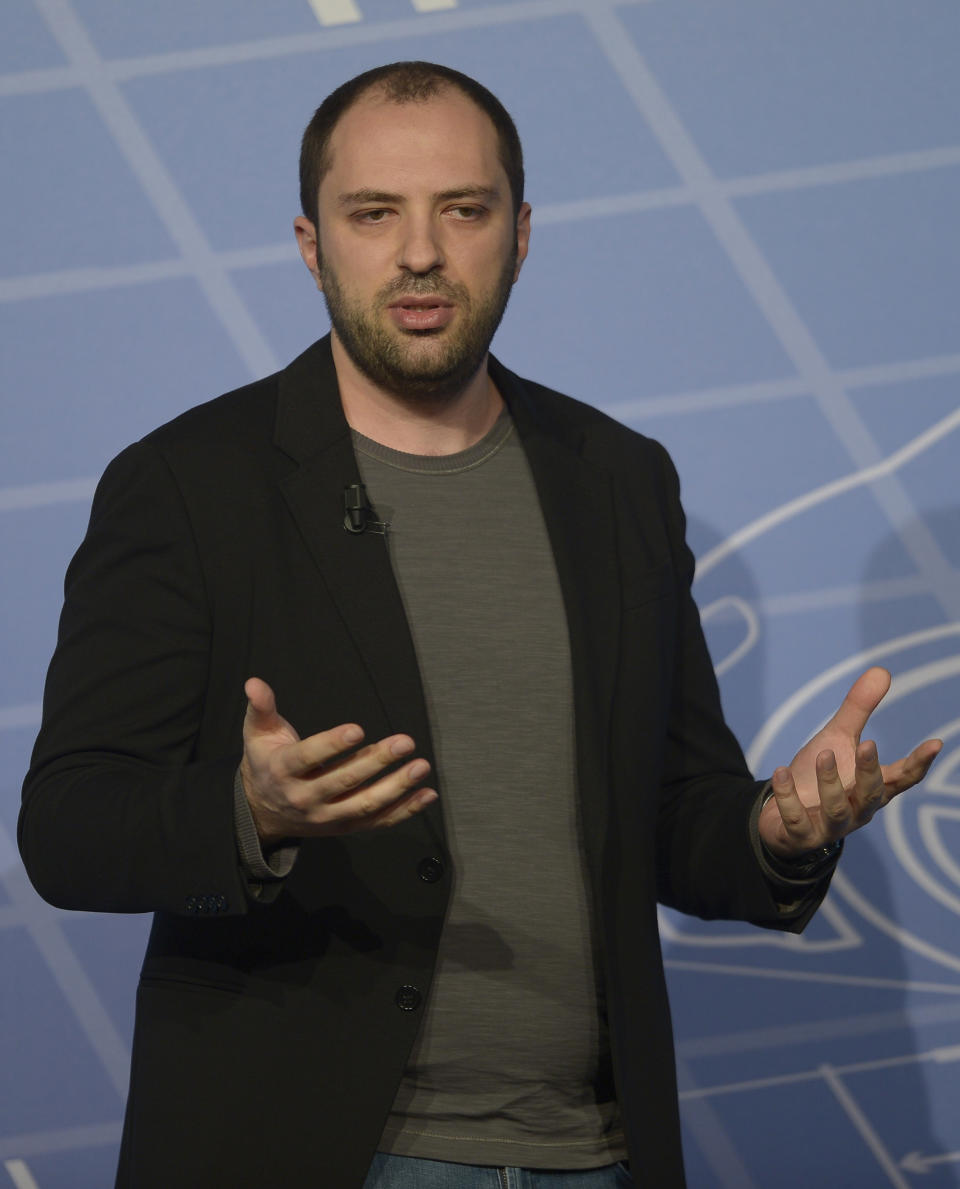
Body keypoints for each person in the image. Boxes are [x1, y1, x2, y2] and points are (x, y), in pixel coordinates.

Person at [19, 62, 940, 1189]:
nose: (420, 252)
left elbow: (673, 814)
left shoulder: (617, 480)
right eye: (375, 214)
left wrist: (778, 834)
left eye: (463, 209)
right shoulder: (189, 485)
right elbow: (68, 824)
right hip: (308, 1153)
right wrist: (246, 812)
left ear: (521, 232)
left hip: (591, 1155)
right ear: (312, 244)